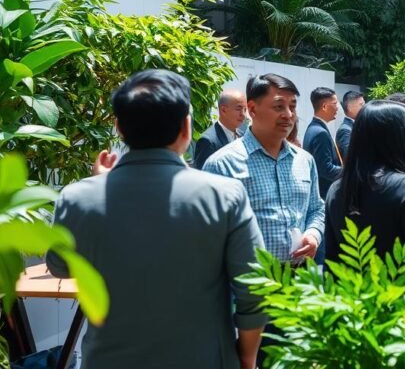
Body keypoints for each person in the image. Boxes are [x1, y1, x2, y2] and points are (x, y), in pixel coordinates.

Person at [48, 70, 265, 369]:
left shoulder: (77, 198)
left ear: (119, 128)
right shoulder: (226, 196)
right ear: (186, 127)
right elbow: (254, 289)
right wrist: (247, 357)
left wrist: (98, 185)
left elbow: (59, 265)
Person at [204, 74, 325, 266]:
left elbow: (316, 208)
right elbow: (209, 235)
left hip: (300, 276)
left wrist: (313, 234)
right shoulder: (222, 165)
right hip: (250, 279)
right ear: (252, 109)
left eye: (292, 106)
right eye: (278, 107)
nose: (288, 114)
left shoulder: (305, 161)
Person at [325, 100, 405, 263]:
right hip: (396, 279)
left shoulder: (337, 189)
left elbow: (331, 259)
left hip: (352, 280)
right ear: (394, 139)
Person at [303, 87, 344, 200]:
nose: (337, 107)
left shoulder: (313, 128)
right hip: (324, 195)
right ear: (324, 107)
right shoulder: (320, 132)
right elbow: (326, 169)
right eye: (335, 104)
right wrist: (350, 171)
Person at [193, 88, 246, 169]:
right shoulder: (208, 141)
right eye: (238, 109)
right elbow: (202, 174)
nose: (243, 114)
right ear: (223, 110)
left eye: (245, 109)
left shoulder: (243, 136)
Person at [335, 90, 365, 162]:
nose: (364, 108)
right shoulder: (345, 130)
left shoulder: (356, 126)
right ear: (350, 108)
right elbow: (349, 158)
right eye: (361, 105)